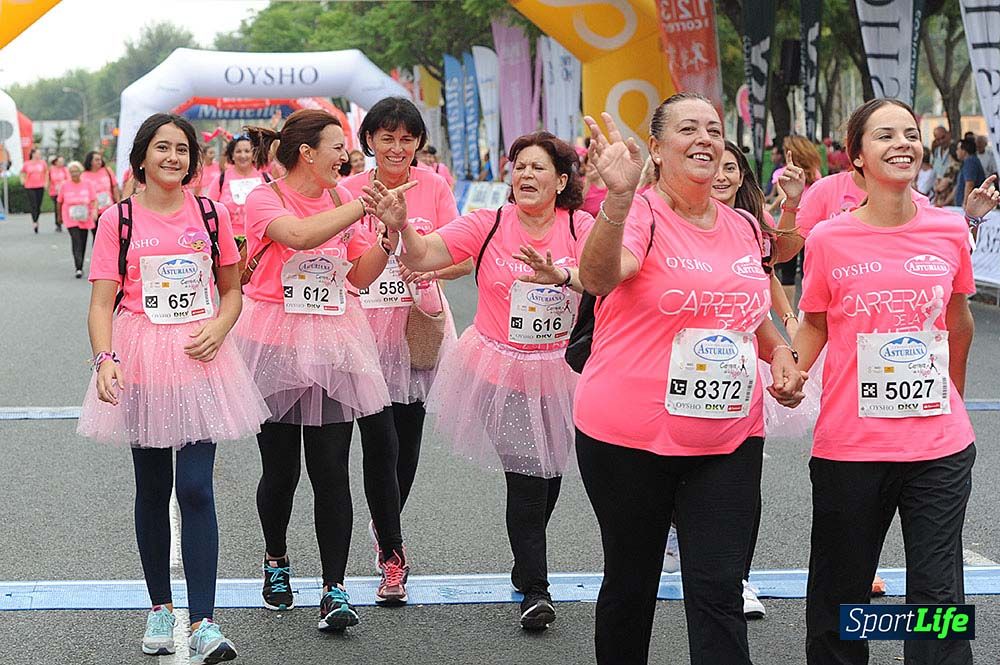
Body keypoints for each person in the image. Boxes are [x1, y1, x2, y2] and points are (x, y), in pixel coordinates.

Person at [572, 95, 804, 665]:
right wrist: (618, 199)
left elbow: (747, 315)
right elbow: (599, 277)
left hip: (728, 436)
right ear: (655, 148)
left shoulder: (744, 225)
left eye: (714, 130)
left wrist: (779, 352)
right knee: (632, 583)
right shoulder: (641, 215)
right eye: (688, 129)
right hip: (629, 438)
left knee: (720, 588)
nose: (705, 139)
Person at [362, 130, 593, 631]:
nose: (526, 174)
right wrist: (402, 228)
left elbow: (604, 278)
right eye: (519, 166)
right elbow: (424, 256)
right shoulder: (488, 224)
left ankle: (525, 563)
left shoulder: (580, 226)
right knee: (527, 475)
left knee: (550, 476)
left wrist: (561, 276)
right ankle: (536, 590)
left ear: (561, 180)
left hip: (562, 370)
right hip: (499, 368)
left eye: (538, 167)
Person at [77, 113, 268, 663]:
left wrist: (221, 326)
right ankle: (160, 607)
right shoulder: (118, 219)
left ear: (192, 160)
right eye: (162, 148)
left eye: (182, 149)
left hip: (199, 356)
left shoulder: (212, 213)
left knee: (197, 488)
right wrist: (105, 358)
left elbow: (231, 290)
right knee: (153, 486)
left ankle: (204, 621)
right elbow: (101, 301)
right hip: (141, 357)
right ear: (142, 157)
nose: (172, 158)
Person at [793, 98, 979, 665]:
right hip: (851, 447)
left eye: (910, 133)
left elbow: (958, 322)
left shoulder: (950, 229)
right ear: (856, 157)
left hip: (939, 448)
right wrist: (792, 371)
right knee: (841, 594)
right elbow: (815, 324)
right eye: (884, 135)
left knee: (938, 597)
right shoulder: (829, 239)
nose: (903, 143)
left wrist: (950, 401)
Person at [233, 109, 413, 631]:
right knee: (281, 470)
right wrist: (364, 204)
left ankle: (334, 588)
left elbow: (360, 275)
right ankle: (276, 559)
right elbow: (300, 236)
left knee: (332, 470)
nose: (345, 157)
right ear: (307, 153)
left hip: (333, 337)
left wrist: (388, 235)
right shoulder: (265, 198)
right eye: (337, 147)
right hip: (274, 340)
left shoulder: (340, 200)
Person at [340, 97, 470, 539]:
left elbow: (463, 258)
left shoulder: (434, 186)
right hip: (361, 325)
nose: (397, 148)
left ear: (418, 143)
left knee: (407, 440)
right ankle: (392, 542)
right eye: (387, 138)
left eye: (407, 139)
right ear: (369, 140)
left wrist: (431, 268)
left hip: (418, 323)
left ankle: (385, 526)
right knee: (379, 440)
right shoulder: (348, 189)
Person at [770, 135, 822, 308]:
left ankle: (790, 315)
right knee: (810, 272)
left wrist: (770, 208)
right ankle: (807, 312)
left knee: (788, 273)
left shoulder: (782, 173)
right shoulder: (814, 174)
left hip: (791, 224)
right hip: (813, 226)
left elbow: (783, 197)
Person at [207, 135, 264, 240]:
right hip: (229, 239)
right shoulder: (221, 179)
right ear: (232, 155)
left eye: (247, 151)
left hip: (261, 239)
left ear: (253, 155)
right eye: (238, 151)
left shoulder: (265, 178)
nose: (243, 155)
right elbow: (209, 210)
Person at [58, 160, 97, 278]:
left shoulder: (88, 184)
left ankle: (81, 261)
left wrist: (94, 211)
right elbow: (59, 201)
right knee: (76, 240)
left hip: (85, 217)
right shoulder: (65, 185)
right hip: (70, 217)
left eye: (76, 171)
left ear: (80, 172)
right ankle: (78, 267)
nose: (74, 174)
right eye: (72, 172)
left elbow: (93, 200)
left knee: (83, 240)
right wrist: (59, 216)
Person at [81, 150, 120, 220]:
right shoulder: (84, 176)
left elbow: (115, 186)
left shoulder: (107, 171)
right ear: (90, 161)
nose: (99, 162)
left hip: (109, 208)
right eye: (97, 160)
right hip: (94, 211)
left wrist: (118, 202)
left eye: (100, 159)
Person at [20, 147, 47, 233]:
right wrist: (23, 180)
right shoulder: (27, 164)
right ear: (33, 154)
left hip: (40, 185)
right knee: (33, 204)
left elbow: (46, 173)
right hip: (30, 186)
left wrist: (46, 183)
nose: (39, 155)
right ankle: (35, 222)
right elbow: (22, 172)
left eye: (40, 154)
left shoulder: (42, 163)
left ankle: (36, 219)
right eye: (37, 153)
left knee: (38, 205)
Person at [953, 136, 986, 208]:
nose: (956, 152)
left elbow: (969, 184)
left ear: (964, 151)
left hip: (969, 206)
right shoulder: (967, 162)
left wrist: (965, 203)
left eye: (958, 149)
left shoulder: (970, 162)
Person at [48, 155, 70, 231]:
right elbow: (48, 179)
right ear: (56, 162)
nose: (61, 163)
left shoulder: (65, 169)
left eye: (62, 161)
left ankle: (67, 222)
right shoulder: (51, 169)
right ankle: (58, 224)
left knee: (65, 207)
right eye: (60, 161)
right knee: (57, 207)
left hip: (64, 192)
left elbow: (68, 179)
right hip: (54, 192)